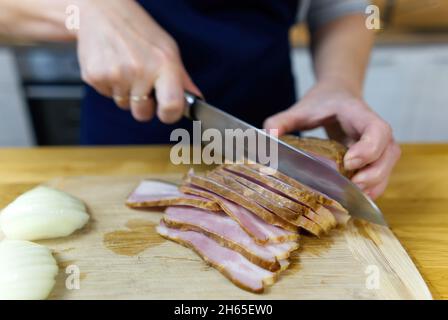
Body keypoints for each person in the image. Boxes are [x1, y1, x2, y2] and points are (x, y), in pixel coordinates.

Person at [0, 0, 401, 199]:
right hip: (123, 132)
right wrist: (86, 10)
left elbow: (349, 5)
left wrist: (340, 82)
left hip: (266, 127)